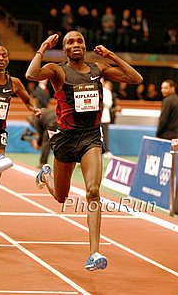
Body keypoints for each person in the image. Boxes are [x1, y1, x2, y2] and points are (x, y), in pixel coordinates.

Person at [25, 31, 143, 270]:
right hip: (66, 139)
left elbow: (136, 78)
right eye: (70, 42)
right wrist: (44, 47)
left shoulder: (97, 68)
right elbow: (31, 73)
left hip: (91, 137)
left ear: (85, 45)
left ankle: (94, 254)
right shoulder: (57, 70)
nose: (76, 44)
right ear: (65, 49)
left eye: (79, 41)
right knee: (61, 196)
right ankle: (45, 174)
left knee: (92, 191)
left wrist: (111, 56)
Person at [0, 45, 41, 253]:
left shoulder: (13, 83)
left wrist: (34, 108)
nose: (1, 58)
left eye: (5, 55)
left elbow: (26, 98)